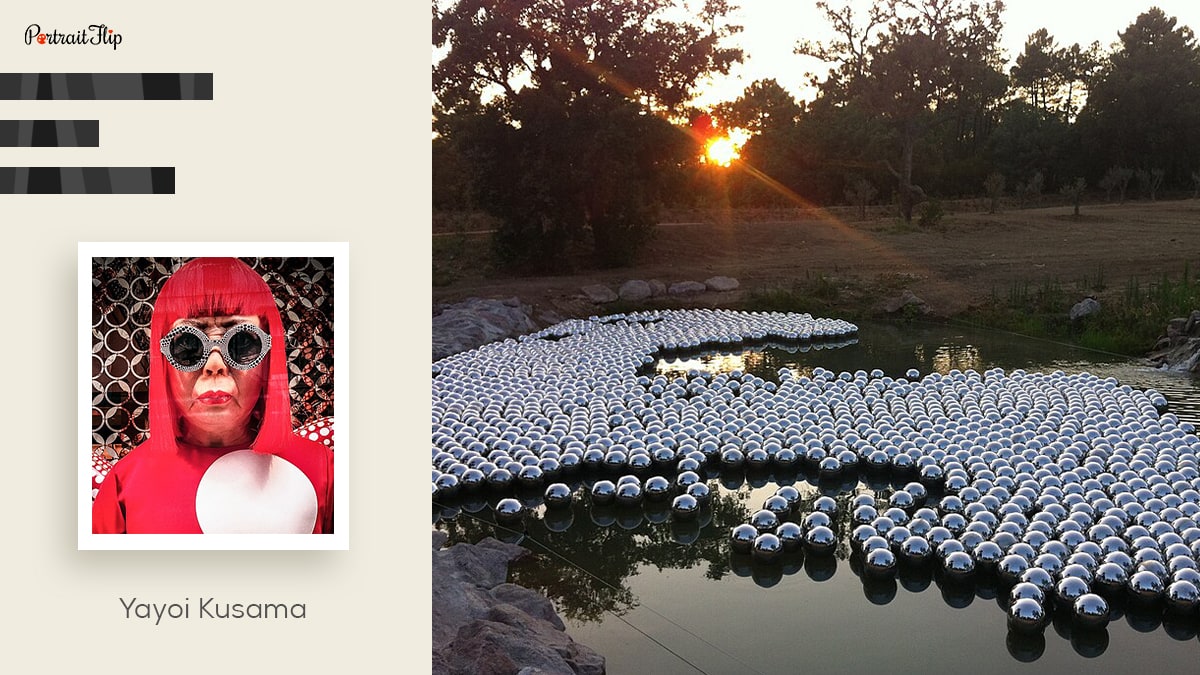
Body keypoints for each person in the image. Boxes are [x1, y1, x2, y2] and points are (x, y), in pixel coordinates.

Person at [92, 257, 334, 534]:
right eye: (188, 345)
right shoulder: (124, 484)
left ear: (269, 356)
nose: (215, 365)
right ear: (163, 361)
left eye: (242, 342)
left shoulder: (324, 470)